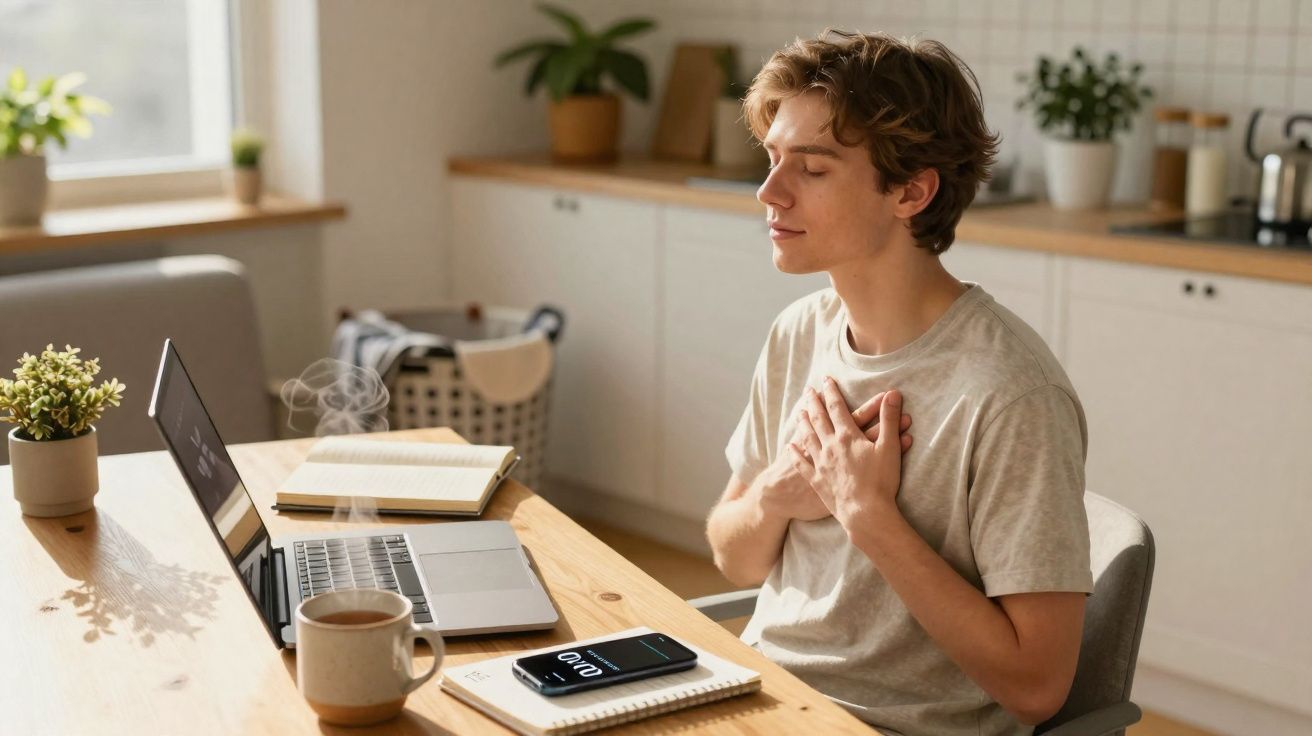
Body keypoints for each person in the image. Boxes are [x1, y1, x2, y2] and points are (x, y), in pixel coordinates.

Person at [706, 30, 1093, 736]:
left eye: (812, 170)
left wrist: (868, 516)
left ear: (910, 192)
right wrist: (779, 494)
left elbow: (1037, 687)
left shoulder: (1010, 394)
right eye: (772, 160)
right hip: (761, 697)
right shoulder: (801, 332)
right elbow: (732, 556)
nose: (768, 192)